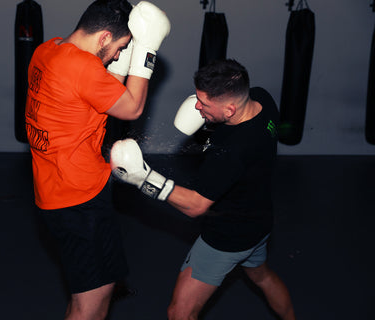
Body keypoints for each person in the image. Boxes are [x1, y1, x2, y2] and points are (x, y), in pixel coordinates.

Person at [110, 59, 296, 320]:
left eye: (204, 104)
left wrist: (145, 179)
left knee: (180, 313)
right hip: (259, 222)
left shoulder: (231, 152)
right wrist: (210, 117)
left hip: (227, 237)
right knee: (263, 277)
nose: (197, 106)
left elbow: (197, 205)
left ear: (230, 110)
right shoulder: (260, 98)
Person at [24, 1, 170, 319]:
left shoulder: (48, 50)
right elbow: (131, 108)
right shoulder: (82, 68)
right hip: (80, 202)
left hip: (53, 192)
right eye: (119, 48)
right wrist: (146, 49)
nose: (118, 56)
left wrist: (123, 56)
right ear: (104, 38)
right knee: (91, 304)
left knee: (87, 293)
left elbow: (99, 92)